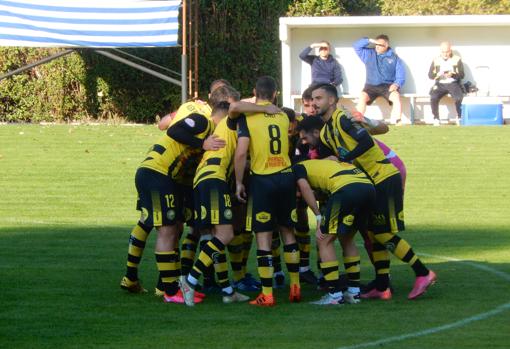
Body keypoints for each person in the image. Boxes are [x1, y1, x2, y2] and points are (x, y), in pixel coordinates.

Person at [311, 83, 436, 300]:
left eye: (319, 98)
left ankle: (423, 272)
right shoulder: (325, 132)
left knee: (382, 232)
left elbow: (367, 141)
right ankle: (382, 285)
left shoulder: (343, 118)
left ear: (332, 100)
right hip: (368, 183)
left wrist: (344, 158)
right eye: (313, 99)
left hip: (384, 177)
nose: (314, 103)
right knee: (372, 233)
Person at [119, 85, 239, 304]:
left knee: (174, 228)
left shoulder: (208, 127)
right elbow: (173, 129)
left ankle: (169, 286)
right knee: (166, 230)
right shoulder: (203, 122)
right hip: (156, 173)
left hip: (163, 176)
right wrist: (202, 143)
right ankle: (170, 291)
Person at [230, 76, 301, 307]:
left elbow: (241, 153)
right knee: (288, 233)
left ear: (254, 92)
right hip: (285, 176)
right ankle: (295, 287)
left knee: (263, 237)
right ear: (275, 94)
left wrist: (239, 182)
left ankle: (267, 294)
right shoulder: (282, 115)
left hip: (262, 180)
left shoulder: (247, 117)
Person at [179, 101, 250, 306]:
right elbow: (240, 153)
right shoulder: (233, 121)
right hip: (214, 180)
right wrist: (238, 183)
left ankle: (228, 291)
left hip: (201, 181)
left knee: (213, 236)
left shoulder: (219, 129)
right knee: (226, 235)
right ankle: (190, 281)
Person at [353, 35, 405, 125]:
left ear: (386, 45)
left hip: (387, 86)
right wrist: (369, 40)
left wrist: (397, 84)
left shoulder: (394, 58)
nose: (377, 46)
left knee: (396, 97)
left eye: (380, 45)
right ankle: (358, 121)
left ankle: (398, 121)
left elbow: (401, 75)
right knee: (362, 96)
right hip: (371, 85)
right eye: (376, 44)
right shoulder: (369, 54)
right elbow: (356, 46)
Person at [428, 41, 465, 126]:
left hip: (453, 83)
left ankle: (460, 117)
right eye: (443, 52)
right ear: (440, 51)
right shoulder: (436, 60)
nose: (445, 54)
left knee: (459, 97)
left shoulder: (457, 59)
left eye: (447, 52)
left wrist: (453, 74)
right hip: (440, 84)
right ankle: (436, 118)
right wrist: (438, 75)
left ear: (450, 50)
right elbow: (430, 75)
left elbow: (462, 75)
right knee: (433, 96)